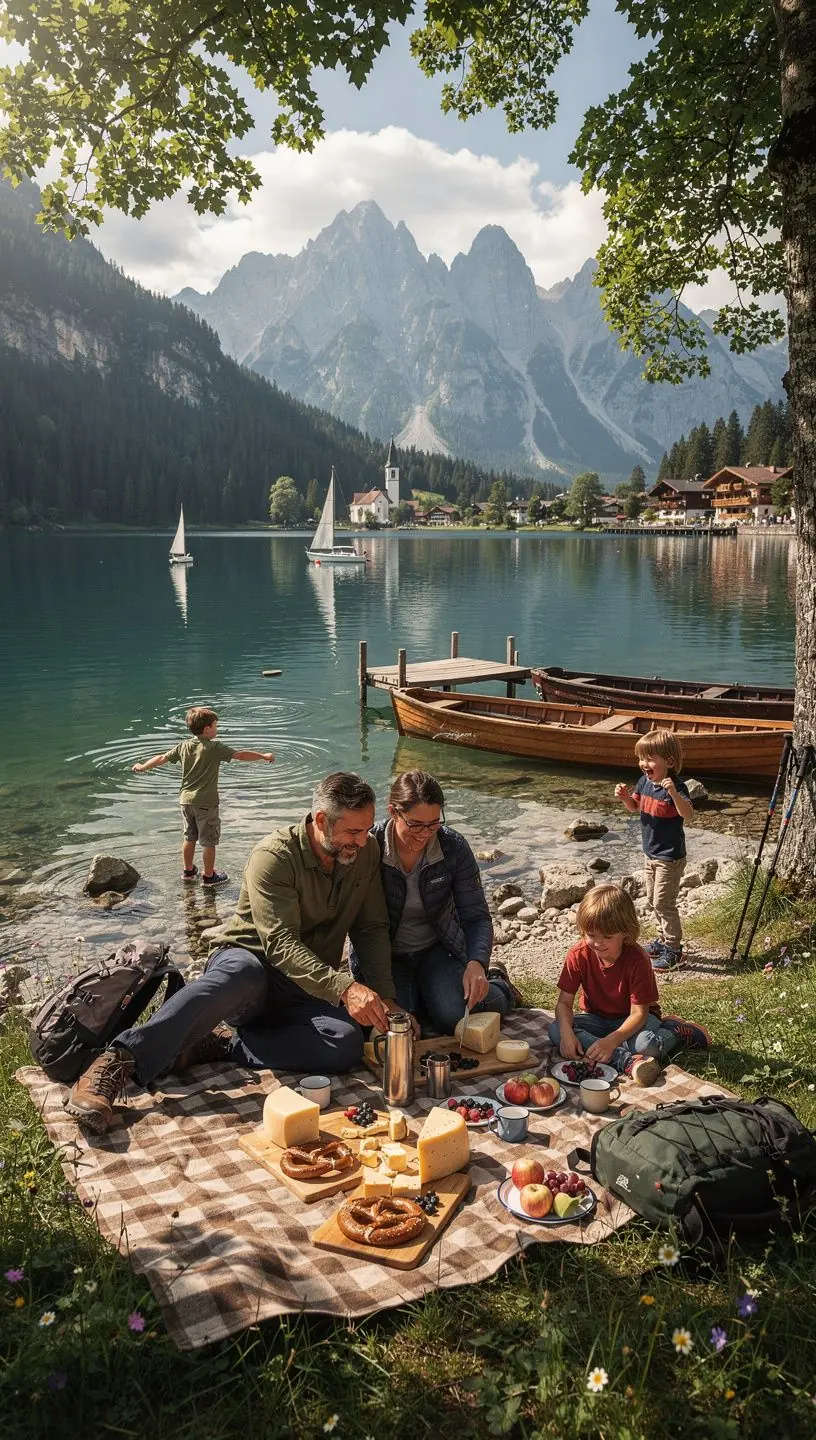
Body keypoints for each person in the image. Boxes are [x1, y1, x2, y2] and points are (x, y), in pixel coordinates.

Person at [65, 772, 397, 1134]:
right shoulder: (274, 857)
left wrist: (388, 999)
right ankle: (115, 1062)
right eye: (353, 833)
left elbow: (370, 927)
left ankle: (222, 1044)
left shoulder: (365, 854)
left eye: (366, 831)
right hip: (252, 967)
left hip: (306, 985)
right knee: (237, 975)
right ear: (321, 821)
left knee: (346, 1043)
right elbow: (281, 944)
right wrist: (345, 988)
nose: (363, 842)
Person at [351, 770, 515, 1036]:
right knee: (394, 1025)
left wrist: (477, 962)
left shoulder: (454, 847)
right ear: (393, 811)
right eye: (415, 824)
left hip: (438, 950)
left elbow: (476, 916)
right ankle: (423, 997)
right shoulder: (370, 847)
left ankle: (500, 984)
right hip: (386, 956)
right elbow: (359, 924)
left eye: (434, 824)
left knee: (453, 1016)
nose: (424, 834)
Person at [547, 885, 711, 1087]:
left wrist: (611, 1041)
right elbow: (564, 1003)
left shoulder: (637, 959)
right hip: (597, 1018)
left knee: (646, 1046)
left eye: (607, 937)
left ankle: (673, 1031)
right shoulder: (578, 954)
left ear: (625, 933)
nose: (597, 943)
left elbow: (638, 1014)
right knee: (556, 1029)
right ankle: (626, 1060)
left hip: (636, 1019)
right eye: (590, 934)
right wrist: (566, 1034)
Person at [132, 706, 275, 886]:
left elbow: (162, 758)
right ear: (207, 729)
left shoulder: (183, 746)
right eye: (215, 726)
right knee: (209, 841)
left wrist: (143, 766)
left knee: (189, 837)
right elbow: (240, 755)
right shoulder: (214, 746)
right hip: (206, 802)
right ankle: (209, 877)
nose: (217, 729)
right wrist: (263, 756)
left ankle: (188, 871)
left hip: (185, 801)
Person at [614, 729, 694, 971]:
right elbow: (634, 808)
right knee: (651, 899)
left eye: (649, 759)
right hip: (650, 853)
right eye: (641, 758)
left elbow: (688, 815)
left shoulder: (676, 787)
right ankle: (662, 939)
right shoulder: (644, 783)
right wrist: (626, 797)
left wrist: (672, 793)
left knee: (663, 903)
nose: (643, 764)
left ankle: (675, 949)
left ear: (669, 762)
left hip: (670, 857)